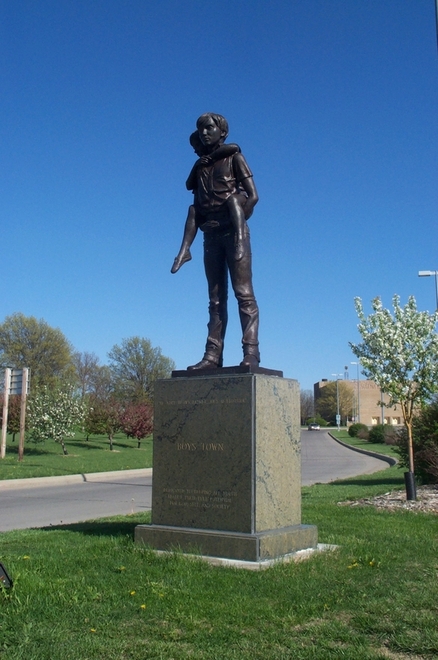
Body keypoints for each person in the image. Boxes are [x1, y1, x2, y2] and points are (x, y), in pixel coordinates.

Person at [184, 112, 260, 370]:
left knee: (244, 294)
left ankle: (251, 352)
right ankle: (212, 356)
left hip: (234, 234)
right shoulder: (202, 165)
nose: (205, 133)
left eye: (209, 128)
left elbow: (253, 196)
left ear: (222, 132)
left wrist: (238, 216)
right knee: (215, 300)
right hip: (211, 237)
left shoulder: (234, 158)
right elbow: (195, 203)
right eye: (201, 129)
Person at [171, 133, 243, 273]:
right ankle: (184, 251)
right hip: (211, 230)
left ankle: (239, 240)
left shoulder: (230, 157)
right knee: (193, 209)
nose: (195, 150)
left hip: (233, 216)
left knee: (242, 290)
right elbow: (189, 185)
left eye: (197, 146)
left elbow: (234, 147)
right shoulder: (202, 167)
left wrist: (210, 158)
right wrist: (197, 165)